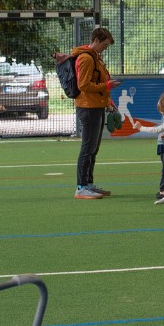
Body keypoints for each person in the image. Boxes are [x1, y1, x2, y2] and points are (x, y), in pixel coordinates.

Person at [68, 27, 121, 200]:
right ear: (96, 40)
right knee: (87, 148)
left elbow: (98, 82)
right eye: (104, 45)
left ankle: (88, 184)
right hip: (88, 107)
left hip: (96, 106)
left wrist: (108, 102)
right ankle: (81, 187)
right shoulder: (86, 58)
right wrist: (107, 86)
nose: (105, 48)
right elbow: (84, 85)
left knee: (93, 148)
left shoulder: (95, 57)